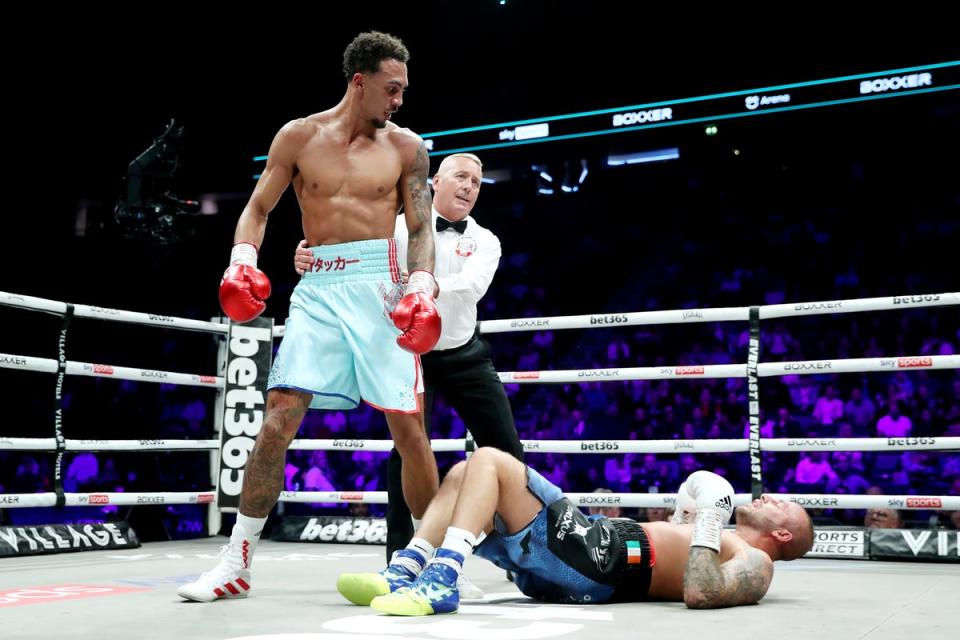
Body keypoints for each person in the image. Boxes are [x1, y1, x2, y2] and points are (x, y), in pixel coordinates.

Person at [178, 31, 441, 602]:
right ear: (360, 81)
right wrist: (241, 260)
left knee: (408, 427)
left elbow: (420, 228)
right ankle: (236, 561)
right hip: (318, 286)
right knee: (277, 417)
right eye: (392, 89)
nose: (399, 100)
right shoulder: (298, 136)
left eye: (404, 91)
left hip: (380, 286)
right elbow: (256, 208)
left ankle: (427, 561)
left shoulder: (407, 148)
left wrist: (421, 285)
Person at [295, 152, 524, 563]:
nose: (470, 186)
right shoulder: (395, 229)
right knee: (406, 454)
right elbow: (348, 258)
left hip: (464, 355)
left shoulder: (487, 240)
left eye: (476, 180)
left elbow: (472, 287)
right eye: (461, 177)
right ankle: (400, 559)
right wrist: (310, 259)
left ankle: (527, 552)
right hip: (410, 355)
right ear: (436, 181)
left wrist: (424, 287)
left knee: (508, 453)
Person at [336, 448, 814, 614]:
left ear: (786, 535)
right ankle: (409, 568)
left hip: (607, 559)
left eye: (783, 504)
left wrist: (709, 521)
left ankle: (441, 580)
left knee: (490, 462)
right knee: (464, 473)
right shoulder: (710, 534)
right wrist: (688, 518)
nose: (771, 496)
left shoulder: (760, 563)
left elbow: (701, 593)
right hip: (592, 554)